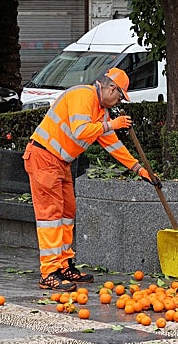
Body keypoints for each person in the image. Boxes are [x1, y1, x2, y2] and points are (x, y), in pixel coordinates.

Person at [23, 67, 159, 291]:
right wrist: (112, 125)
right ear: (111, 88)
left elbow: (114, 146)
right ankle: (48, 272)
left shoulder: (101, 112)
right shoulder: (83, 96)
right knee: (51, 217)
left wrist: (140, 171)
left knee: (67, 214)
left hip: (60, 163)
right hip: (44, 159)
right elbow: (80, 131)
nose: (118, 102)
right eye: (119, 96)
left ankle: (64, 265)